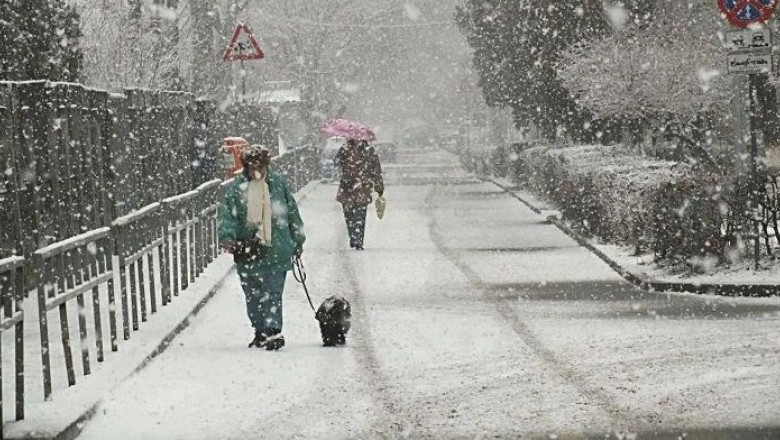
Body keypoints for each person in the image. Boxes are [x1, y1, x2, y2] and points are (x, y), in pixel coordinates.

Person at [218, 145, 305, 350]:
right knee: (253, 295)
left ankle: (273, 331)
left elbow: (291, 212)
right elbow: (228, 216)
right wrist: (227, 237)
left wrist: (297, 240)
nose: (257, 170)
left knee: (273, 293)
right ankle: (259, 330)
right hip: (249, 252)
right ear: (246, 167)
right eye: (253, 166)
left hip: (277, 249)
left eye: (261, 166)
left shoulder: (277, 184)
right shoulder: (236, 189)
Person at [335, 139, 384, 250]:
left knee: (349, 216)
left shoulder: (345, 148)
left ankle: (354, 237)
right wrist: (379, 188)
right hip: (363, 188)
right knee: (360, 216)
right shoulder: (370, 151)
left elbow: (336, 162)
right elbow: (376, 171)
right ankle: (357, 239)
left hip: (347, 188)